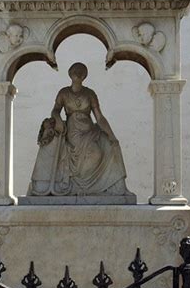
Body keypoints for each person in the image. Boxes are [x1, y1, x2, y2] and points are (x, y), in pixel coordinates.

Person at [28, 62, 132, 197]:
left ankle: (115, 187)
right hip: (73, 131)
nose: (77, 75)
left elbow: (99, 118)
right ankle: (80, 185)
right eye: (75, 72)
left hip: (90, 130)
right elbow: (55, 111)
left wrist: (111, 135)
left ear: (84, 76)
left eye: (80, 72)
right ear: (70, 74)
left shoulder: (90, 94)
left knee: (109, 145)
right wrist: (58, 120)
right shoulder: (64, 93)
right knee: (95, 153)